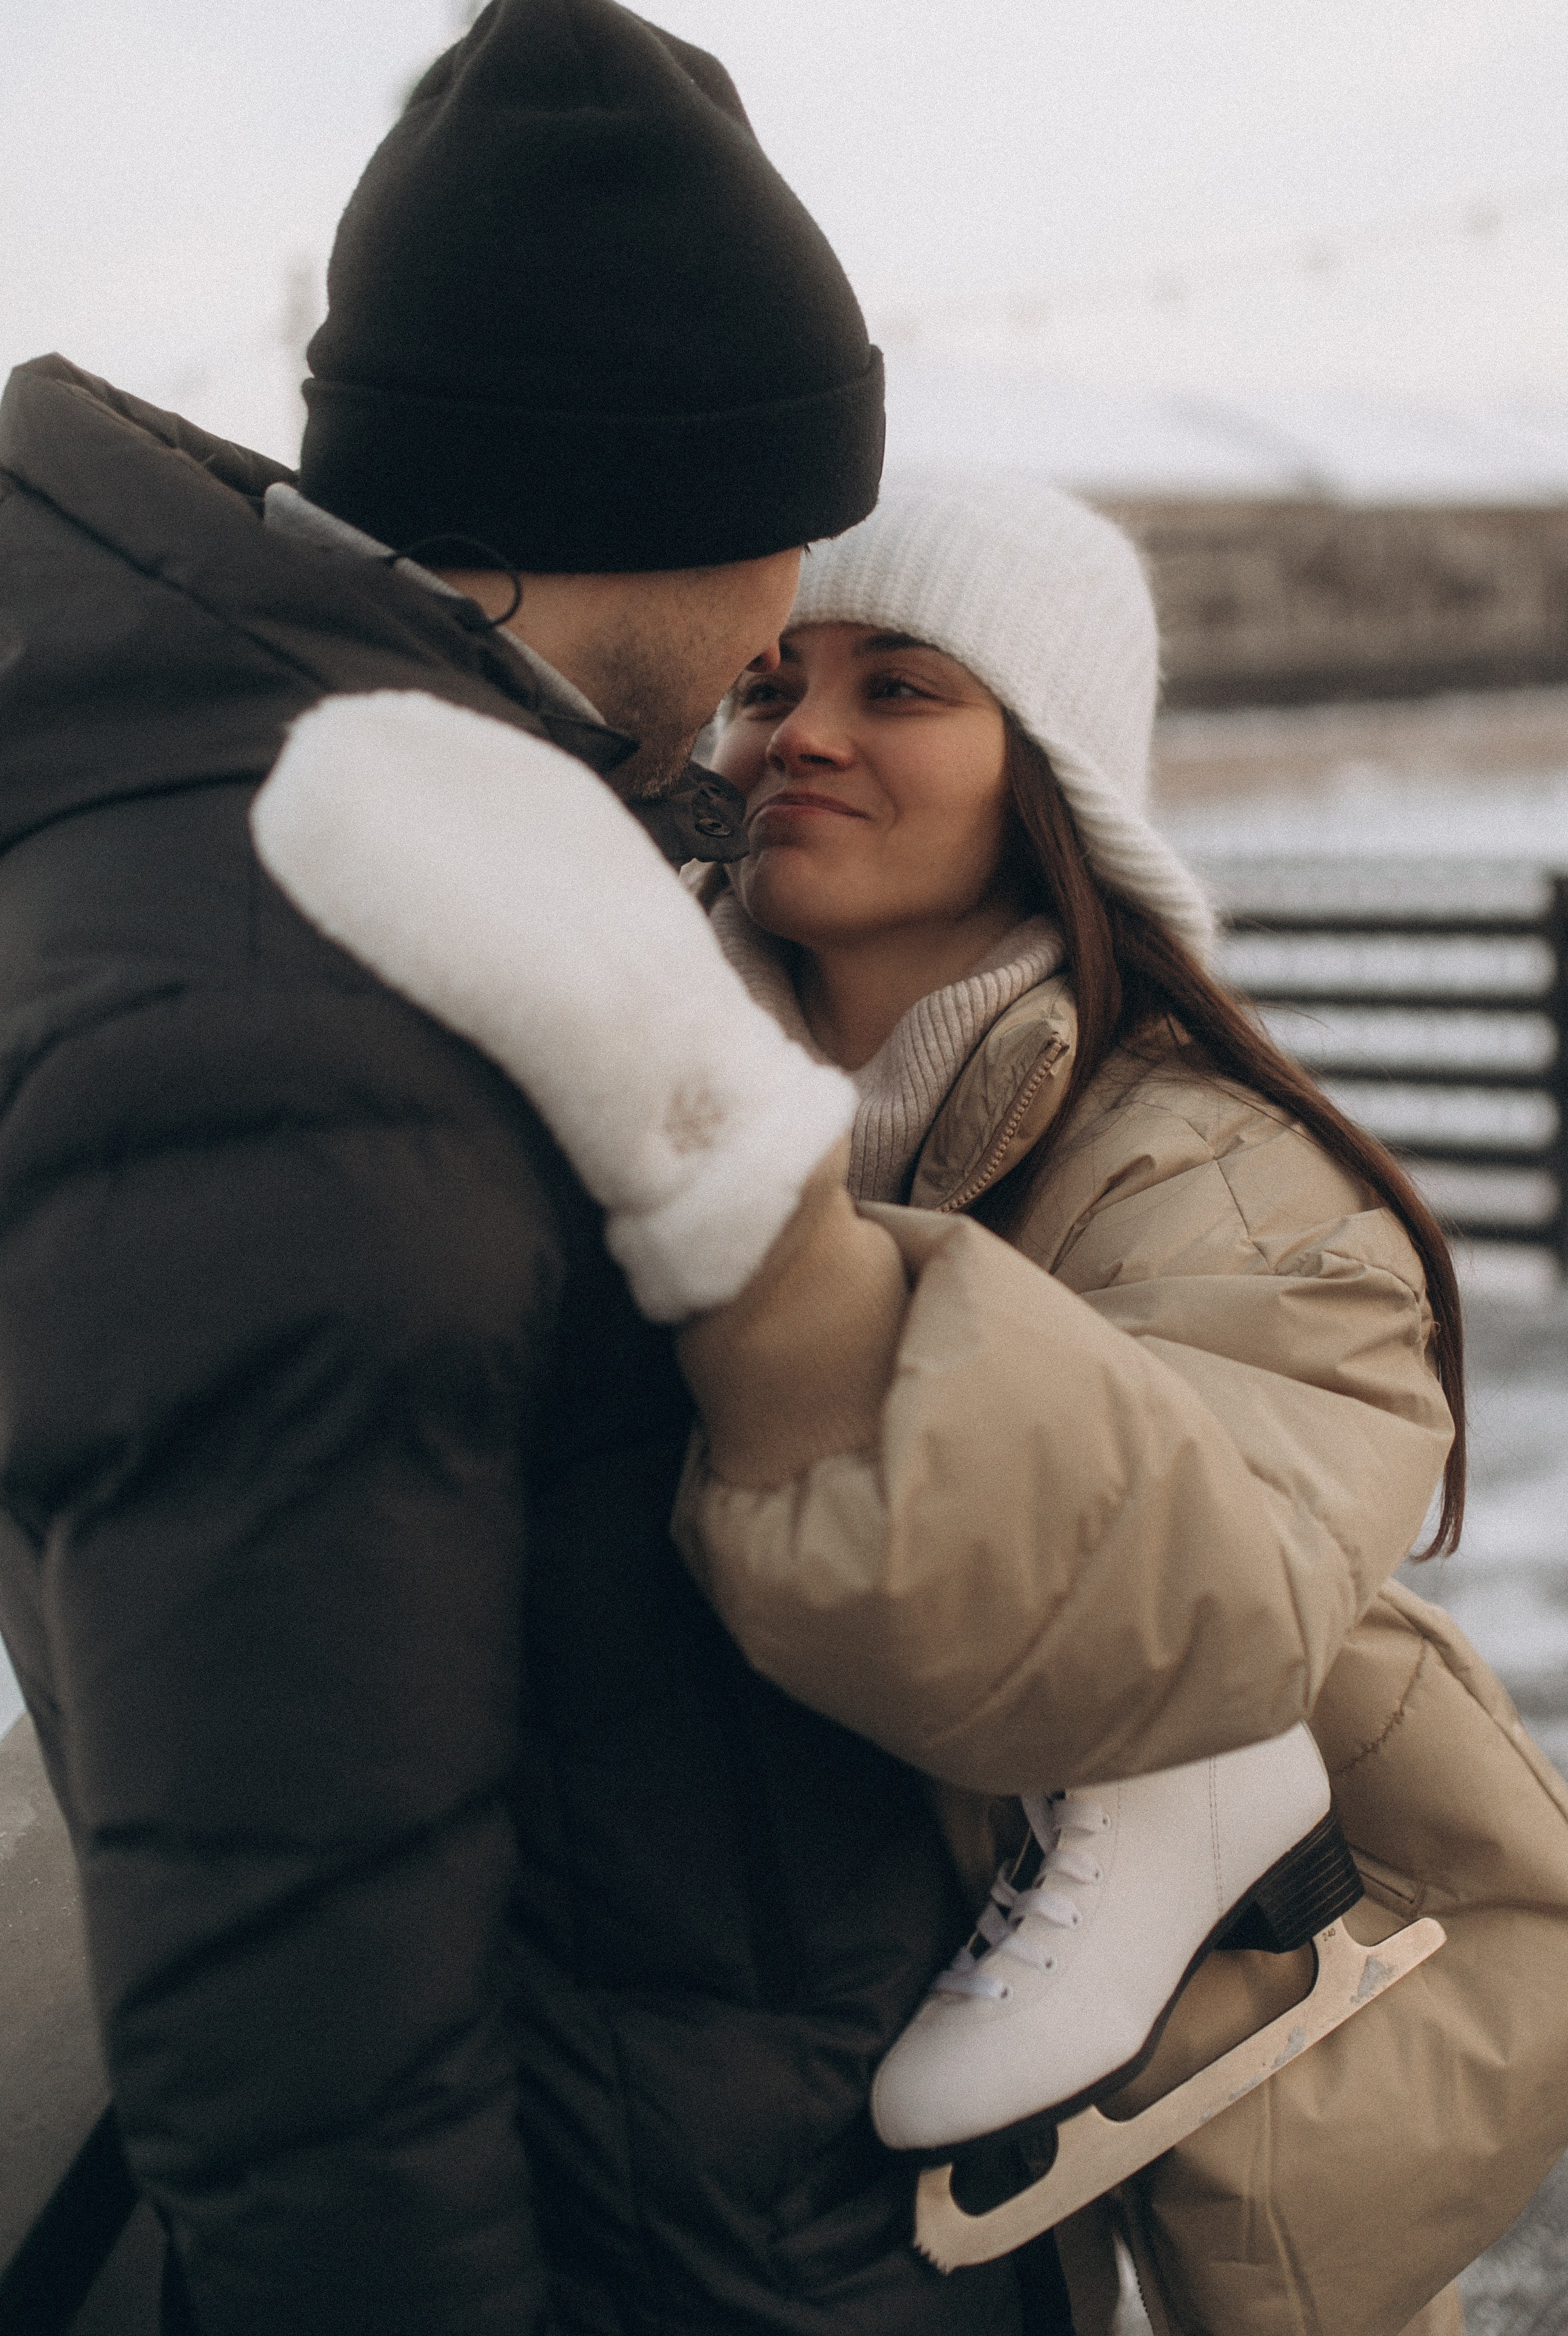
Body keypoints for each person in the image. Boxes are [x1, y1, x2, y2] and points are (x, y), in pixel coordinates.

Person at [255, 475, 1568, 2336]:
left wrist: (750, 1226)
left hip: (1120, 2197)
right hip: (673, 2134)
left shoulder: (1223, 1186)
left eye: (903, 689)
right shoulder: (552, 1091)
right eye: (772, 681)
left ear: (1050, 780)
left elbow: (1202, 1594)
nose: (804, 734)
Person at [0, 8, 1046, 2334]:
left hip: (716, 2184)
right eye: (793, 518)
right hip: (645, 2249)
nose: (792, 621)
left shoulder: (411, 849)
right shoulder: (287, 1003)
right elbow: (302, 2001)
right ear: (655, 489)